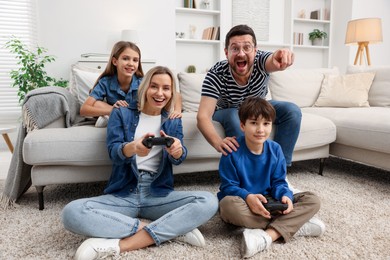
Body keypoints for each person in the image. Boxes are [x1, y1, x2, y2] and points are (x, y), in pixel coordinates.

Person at [62, 66, 218, 260]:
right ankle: (171, 229)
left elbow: (178, 158)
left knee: (209, 200)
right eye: (154, 86)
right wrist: (133, 148)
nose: (160, 93)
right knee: (72, 212)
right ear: (144, 87)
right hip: (124, 194)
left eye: (166, 88)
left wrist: (177, 151)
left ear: (171, 93)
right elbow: (114, 152)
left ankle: (121, 245)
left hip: (157, 193)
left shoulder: (172, 120)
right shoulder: (122, 113)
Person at [217, 97, 324, 258]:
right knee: (227, 205)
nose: (260, 129)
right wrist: (248, 197)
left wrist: (285, 196)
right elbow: (228, 187)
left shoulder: (276, 149)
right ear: (242, 125)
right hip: (244, 202)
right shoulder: (231, 151)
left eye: (266, 124)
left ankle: (267, 236)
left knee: (313, 199)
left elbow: (279, 182)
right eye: (254, 123)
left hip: (270, 201)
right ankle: (293, 225)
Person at [197, 24, 300, 167]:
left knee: (292, 111)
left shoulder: (261, 61)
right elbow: (203, 116)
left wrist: (279, 56)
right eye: (235, 48)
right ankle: (248, 170)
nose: (241, 53)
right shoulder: (216, 73)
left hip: (256, 107)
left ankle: (279, 169)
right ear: (226, 53)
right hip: (226, 111)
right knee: (234, 115)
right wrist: (218, 142)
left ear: (255, 51)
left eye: (247, 47)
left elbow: (272, 60)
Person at [80, 41, 182, 127]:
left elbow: (176, 95)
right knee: (98, 103)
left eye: (135, 60)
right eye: (125, 58)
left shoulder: (142, 82)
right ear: (115, 61)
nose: (131, 63)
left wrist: (177, 110)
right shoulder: (106, 82)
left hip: (137, 115)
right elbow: (84, 109)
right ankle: (114, 117)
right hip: (116, 114)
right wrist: (114, 110)